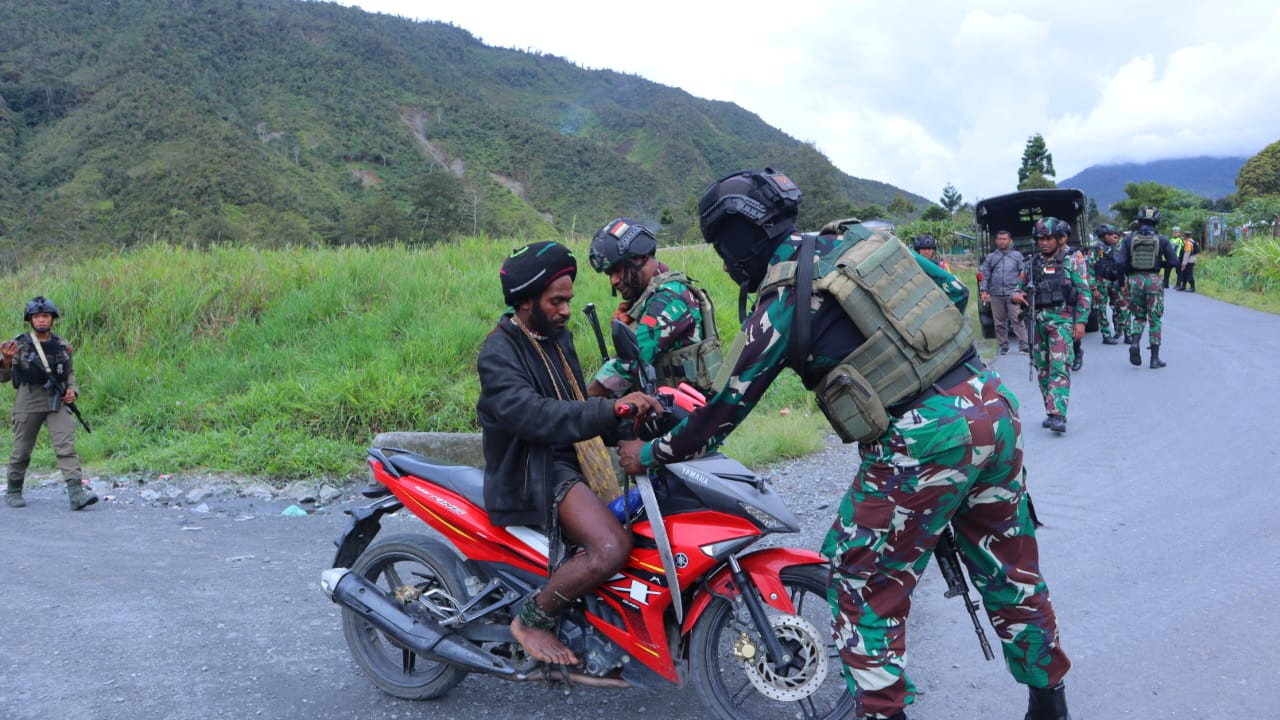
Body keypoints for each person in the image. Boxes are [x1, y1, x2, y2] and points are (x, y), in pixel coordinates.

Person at [617, 169, 1072, 720]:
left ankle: (884, 712)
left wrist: (652, 453)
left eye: (721, 246)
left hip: (920, 439)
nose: (723, 259)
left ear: (739, 237)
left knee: (857, 584)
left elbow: (724, 409)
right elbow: (950, 292)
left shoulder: (784, 297)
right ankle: (1050, 705)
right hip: (990, 407)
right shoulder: (867, 241)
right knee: (1009, 568)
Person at [475, 241, 664, 665]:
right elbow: (535, 416)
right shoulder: (498, 353)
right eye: (555, 301)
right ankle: (532, 620)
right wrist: (610, 408)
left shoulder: (558, 338)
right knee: (612, 547)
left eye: (567, 301)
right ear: (525, 302)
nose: (564, 310)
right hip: (534, 470)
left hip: (570, 457)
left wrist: (640, 422)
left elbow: (578, 405)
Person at [585, 218, 722, 398]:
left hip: (688, 416)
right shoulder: (647, 297)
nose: (614, 280)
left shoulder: (669, 299)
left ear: (639, 258)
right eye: (609, 274)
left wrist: (579, 404)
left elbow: (629, 364)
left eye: (617, 270)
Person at [0, 296, 97, 510]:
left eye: (45, 316)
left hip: (57, 400)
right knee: (22, 450)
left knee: (66, 446)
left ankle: (76, 493)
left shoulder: (62, 345)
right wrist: (6, 360)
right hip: (28, 399)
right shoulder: (18, 345)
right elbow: (3, 378)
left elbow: (70, 373)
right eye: (37, 316)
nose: (41, 320)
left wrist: (72, 391)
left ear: (52, 319)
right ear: (30, 320)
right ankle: (14, 490)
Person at [1012, 218, 1091, 434]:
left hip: (1062, 320)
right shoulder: (1031, 263)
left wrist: (1081, 321)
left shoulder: (1071, 260)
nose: (1044, 243)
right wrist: (1017, 296)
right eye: (1040, 239)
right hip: (1036, 321)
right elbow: (1018, 288)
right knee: (1042, 368)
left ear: (1060, 239)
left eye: (1048, 239)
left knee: (1059, 365)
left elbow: (1084, 291)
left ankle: (1058, 414)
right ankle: (1051, 409)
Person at [1116, 206, 1178, 369]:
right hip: (1153, 280)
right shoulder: (1163, 240)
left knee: (1139, 316)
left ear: (1139, 220)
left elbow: (1120, 262)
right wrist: (1161, 263)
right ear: (1156, 221)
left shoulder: (1128, 240)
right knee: (1155, 318)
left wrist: (1122, 282)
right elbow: (1174, 262)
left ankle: (1135, 343)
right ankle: (1154, 358)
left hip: (1134, 280)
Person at [979, 229, 1030, 355]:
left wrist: (1021, 290)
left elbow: (1023, 274)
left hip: (1013, 294)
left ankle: (1024, 345)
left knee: (1017, 319)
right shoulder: (991, 257)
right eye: (1000, 239)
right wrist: (984, 290)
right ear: (996, 241)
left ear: (1010, 241)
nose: (1002, 242)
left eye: (1005, 239)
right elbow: (986, 275)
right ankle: (1003, 346)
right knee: (999, 322)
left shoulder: (1017, 256)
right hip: (995, 294)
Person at [1056, 229, 1092, 372]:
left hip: (1072, 295)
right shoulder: (1049, 254)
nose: (1059, 239)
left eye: (1062, 236)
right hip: (1056, 297)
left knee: (1073, 328)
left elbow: (1083, 273)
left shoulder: (1075, 254)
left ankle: (1077, 353)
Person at [1088, 224, 1129, 345]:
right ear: (1103, 236)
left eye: (1114, 235)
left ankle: (1126, 333)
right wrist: (1093, 287)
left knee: (1123, 306)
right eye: (1110, 235)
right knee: (1101, 309)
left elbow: (1123, 263)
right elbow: (1090, 267)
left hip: (1116, 281)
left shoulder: (1118, 247)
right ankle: (1106, 335)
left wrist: (1125, 281)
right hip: (1102, 281)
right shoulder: (1095, 248)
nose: (1113, 237)